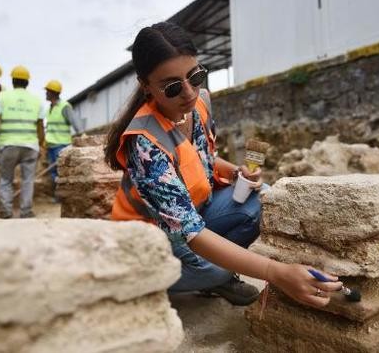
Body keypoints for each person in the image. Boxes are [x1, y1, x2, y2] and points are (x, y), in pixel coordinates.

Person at [105, 22, 342, 307]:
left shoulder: (199, 103)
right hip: (150, 241)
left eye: (195, 76)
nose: (189, 92)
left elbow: (200, 155)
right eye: (172, 86)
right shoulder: (144, 141)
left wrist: (233, 171)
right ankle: (190, 279)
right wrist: (275, 272)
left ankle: (212, 277)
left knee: (261, 197)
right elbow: (190, 232)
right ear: (146, 87)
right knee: (221, 267)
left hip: (191, 215)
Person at [0, 65, 44, 219]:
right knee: (28, 180)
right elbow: (40, 127)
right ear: (27, 83)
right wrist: (41, 144)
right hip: (30, 146)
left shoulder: (3, 96)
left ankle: (6, 211)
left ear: (13, 81)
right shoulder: (36, 100)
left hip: (9, 145)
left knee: (5, 179)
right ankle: (26, 211)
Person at [44, 79, 82, 201]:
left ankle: (62, 196)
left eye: (47, 91)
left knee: (62, 172)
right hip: (51, 145)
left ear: (53, 93)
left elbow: (75, 122)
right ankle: (59, 196)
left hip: (61, 145)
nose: (46, 93)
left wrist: (82, 135)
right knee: (54, 173)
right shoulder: (50, 108)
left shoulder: (64, 107)